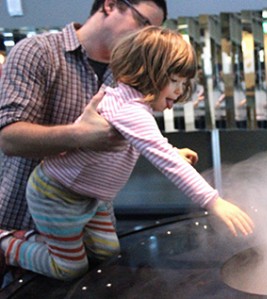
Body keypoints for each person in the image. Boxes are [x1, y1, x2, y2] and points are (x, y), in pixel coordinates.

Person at [0, 25, 254, 282]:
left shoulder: (129, 104)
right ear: (150, 73)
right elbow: (164, 159)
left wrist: (173, 151)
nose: (179, 91)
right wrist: (214, 201)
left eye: (183, 84)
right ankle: (9, 244)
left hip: (90, 197)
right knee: (68, 269)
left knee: (108, 253)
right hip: (57, 195)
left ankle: (54, 241)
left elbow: (143, 144)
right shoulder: (129, 110)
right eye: (174, 81)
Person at [0, 0, 167, 234]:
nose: (144, 38)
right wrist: (79, 135)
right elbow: (9, 138)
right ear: (110, 5)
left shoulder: (128, 75)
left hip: (91, 223)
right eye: (143, 24)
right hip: (24, 225)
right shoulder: (37, 52)